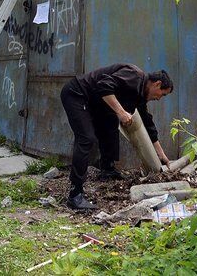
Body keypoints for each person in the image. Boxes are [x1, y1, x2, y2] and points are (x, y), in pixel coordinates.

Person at [60, 64, 173, 210]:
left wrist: (161, 153)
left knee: (110, 123)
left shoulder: (140, 94)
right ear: (157, 84)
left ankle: (107, 169)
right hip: (77, 94)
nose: (159, 98)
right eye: (162, 94)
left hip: (94, 101)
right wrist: (120, 112)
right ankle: (75, 195)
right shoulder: (135, 76)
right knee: (86, 139)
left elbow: (147, 121)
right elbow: (103, 85)